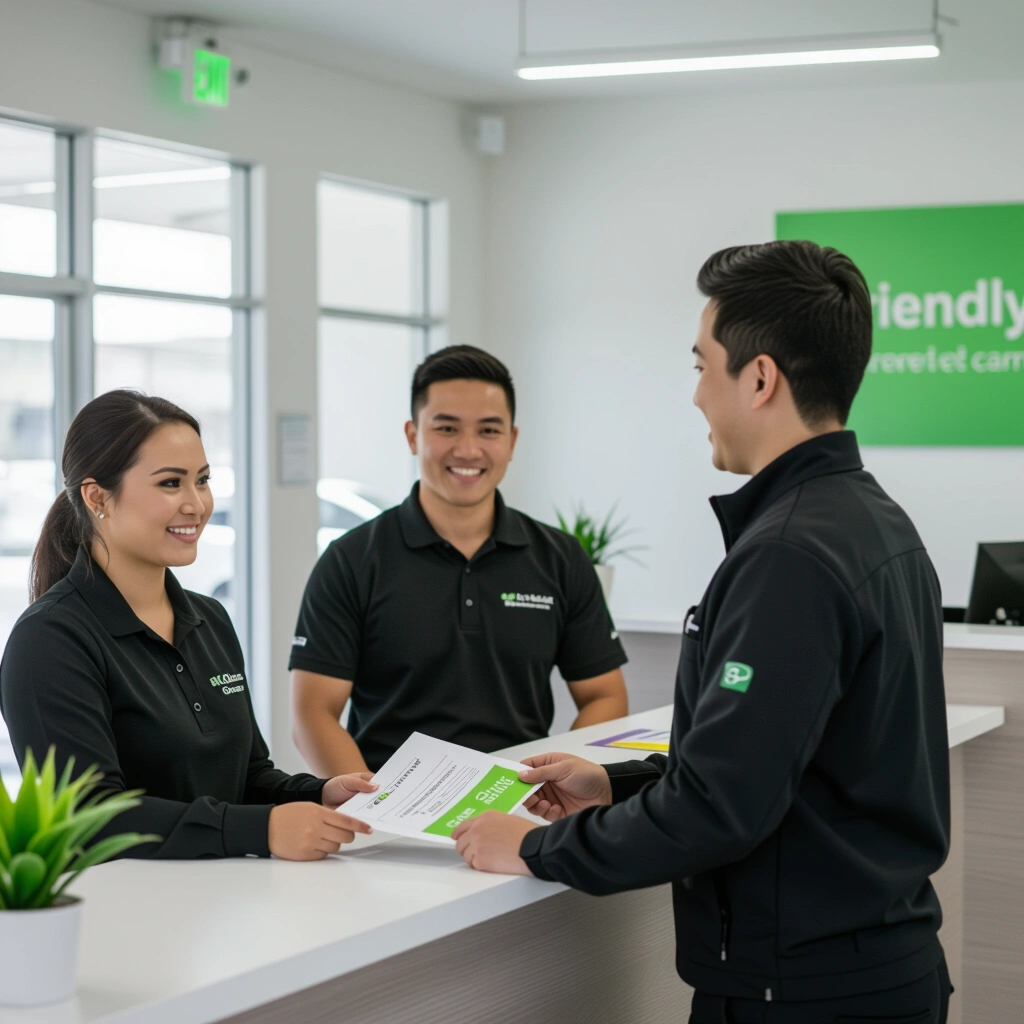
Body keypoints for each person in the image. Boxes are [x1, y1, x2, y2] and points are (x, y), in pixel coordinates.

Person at [451, 242, 953, 1023]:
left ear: (759, 379)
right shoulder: (876, 522)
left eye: (700, 367)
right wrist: (613, 784)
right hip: (872, 971)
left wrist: (529, 847)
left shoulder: (789, 554)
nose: (694, 397)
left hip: (800, 997)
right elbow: (785, 767)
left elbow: (719, 810)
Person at [0, 390, 376, 860]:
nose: (197, 504)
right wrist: (260, 830)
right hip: (127, 918)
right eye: (170, 484)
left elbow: (250, 777)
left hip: (231, 904)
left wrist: (317, 793)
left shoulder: (210, 619)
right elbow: (89, 817)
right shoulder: (50, 640)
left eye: (202, 480)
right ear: (98, 497)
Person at [290, 345, 629, 775]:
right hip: (391, 808)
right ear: (413, 435)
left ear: (512, 440)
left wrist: (551, 780)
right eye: (447, 429)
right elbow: (312, 715)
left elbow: (605, 695)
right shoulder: (352, 561)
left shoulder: (560, 558)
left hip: (518, 804)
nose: (468, 450)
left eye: (489, 431)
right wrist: (371, 808)